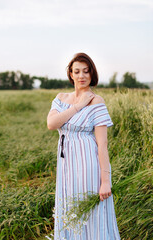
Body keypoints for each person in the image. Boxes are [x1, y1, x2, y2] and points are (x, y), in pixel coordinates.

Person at [47, 53, 120, 240]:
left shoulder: (97, 101)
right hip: (66, 165)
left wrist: (105, 181)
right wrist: (78, 106)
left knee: (91, 211)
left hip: (88, 164)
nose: (82, 76)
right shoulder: (61, 97)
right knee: (69, 207)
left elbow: (102, 144)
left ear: (92, 74)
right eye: (77, 71)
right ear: (70, 74)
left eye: (86, 71)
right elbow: (52, 124)